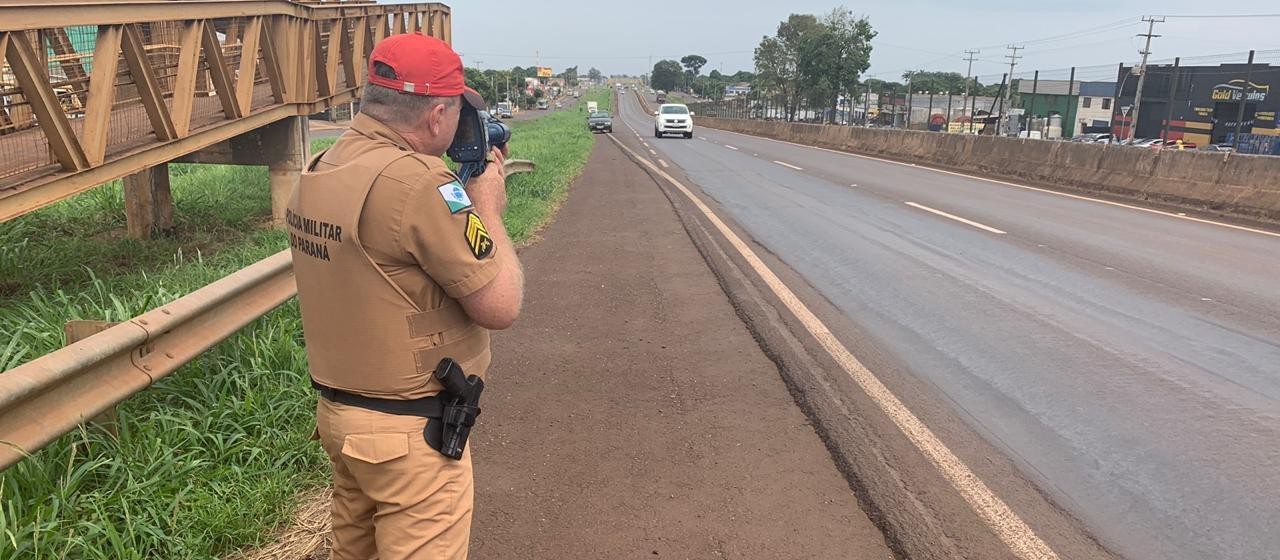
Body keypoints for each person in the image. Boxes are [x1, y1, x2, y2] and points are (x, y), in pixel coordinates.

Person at [285, 33, 524, 559]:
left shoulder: (323, 167)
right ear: (437, 115)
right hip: (409, 439)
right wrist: (487, 208)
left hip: (342, 422)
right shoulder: (425, 186)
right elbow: (500, 305)